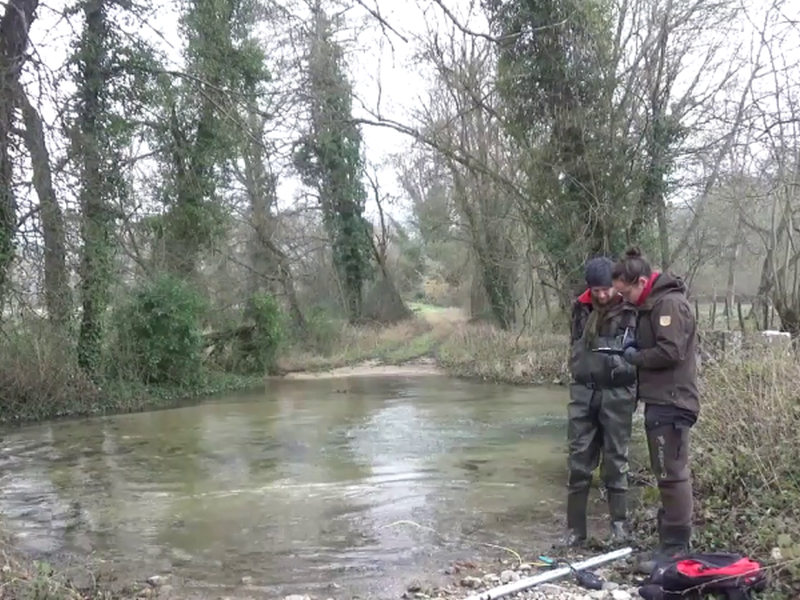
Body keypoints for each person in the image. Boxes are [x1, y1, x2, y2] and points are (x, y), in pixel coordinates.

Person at [612, 247, 699, 573]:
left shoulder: (669, 305)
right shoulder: (653, 304)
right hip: (661, 399)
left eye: (627, 292)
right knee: (665, 474)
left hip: (673, 401)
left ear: (642, 282)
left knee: (672, 474)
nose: (626, 300)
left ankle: (676, 548)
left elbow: (671, 351)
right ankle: (669, 542)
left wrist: (636, 357)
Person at [562, 256, 638, 547]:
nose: (603, 295)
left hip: (618, 394)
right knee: (578, 461)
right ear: (590, 288)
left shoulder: (632, 310)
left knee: (616, 462)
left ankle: (619, 529)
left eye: (607, 289)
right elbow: (574, 344)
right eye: (597, 290)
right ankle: (574, 532)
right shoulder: (580, 309)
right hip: (583, 392)